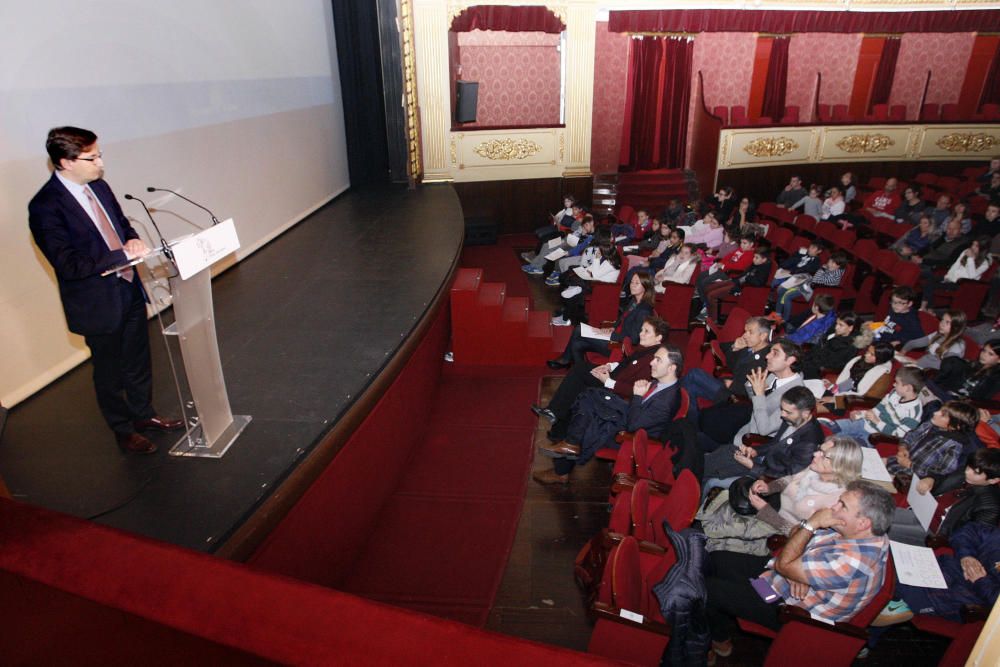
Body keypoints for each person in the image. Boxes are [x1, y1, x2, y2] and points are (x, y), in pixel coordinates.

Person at [28, 126, 182, 455]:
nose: (101, 162)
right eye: (93, 157)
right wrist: (119, 255)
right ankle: (123, 430)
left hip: (128, 288)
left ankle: (144, 415)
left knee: (138, 359)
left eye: (100, 154)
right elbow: (67, 263)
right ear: (66, 162)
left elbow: (119, 225)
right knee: (109, 372)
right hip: (97, 302)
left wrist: (132, 239)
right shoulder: (45, 206)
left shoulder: (98, 186)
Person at [704, 481, 893, 664]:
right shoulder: (862, 532)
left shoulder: (852, 561)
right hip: (781, 584)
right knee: (720, 558)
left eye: (842, 505)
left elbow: (786, 562)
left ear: (862, 523)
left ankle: (719, 641)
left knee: (708, 590)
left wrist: (811, 525)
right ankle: (720, 630)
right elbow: (796, 531)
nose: (833, 507)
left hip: (788, 611)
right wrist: (796, 571)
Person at [533, 345, 683, 485]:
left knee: (585, 420)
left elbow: (634, 426)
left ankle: (563, 466)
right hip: (629, 415)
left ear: (671, 368)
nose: (652, 363)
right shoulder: (663, 383)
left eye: (658, 360)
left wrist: (637, 396)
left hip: (631, 438)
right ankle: (570, 445)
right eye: (654, 358)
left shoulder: (666, 401)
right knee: (590, 395)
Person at [700, 436, 863, 561]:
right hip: (767, 507)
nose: (816, 454)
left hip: (772, 533)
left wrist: (765, 511)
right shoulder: (815, 469)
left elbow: (798, 536)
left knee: (713, 533)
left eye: (824, 455)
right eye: (820, 449)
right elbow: (788, 480)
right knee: (720, 502)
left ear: (839, 465)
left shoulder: (835, 502)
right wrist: (768, 487)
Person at [532, 316, 670, 441]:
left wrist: (608, 382)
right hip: (612, 378)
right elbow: (627, 363)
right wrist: (609, 366)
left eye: (646, 331)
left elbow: (637, 390)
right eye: (642, 330)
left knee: (578, 379)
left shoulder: (654, 360)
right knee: (579, 374)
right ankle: (557, 423)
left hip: (615, 392)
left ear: (659, 338)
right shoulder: (646, 348)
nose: (640, 334)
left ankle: (557, 422)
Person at [702, 386, 824, 497]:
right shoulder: (794, 419)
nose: (782, 414)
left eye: (787, 412)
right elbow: (775, 443)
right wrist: (755, 451)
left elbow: (787, 477)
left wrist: (752, 466)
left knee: (713, 470)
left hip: (767, 477)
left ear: (806, 413)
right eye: (782, 409)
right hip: (764, 461)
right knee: (725, 452)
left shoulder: (809, 444)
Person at [698, 339, 806, 453]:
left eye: (775, 353)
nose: (767, 356)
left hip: (748, 440)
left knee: (695, 437)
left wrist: (759, 394)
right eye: (770, 352)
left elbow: (764, 430)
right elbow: (753, 401)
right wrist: (752, 386)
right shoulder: (774, 375)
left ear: (790, 360)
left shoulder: (795, 395)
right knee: (696, 424)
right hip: (742, 421)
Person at [889, 448, 1000, 546]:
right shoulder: (966, 474)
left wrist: (944, 537)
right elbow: (942, 479)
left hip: (935, 533)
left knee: (881, 527)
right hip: (922, 512)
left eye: (975, 472)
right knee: (877, 513)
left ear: (993, 480)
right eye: (969, 466)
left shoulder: (990, 505)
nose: (967, 472)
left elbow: (973, 535)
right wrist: (931, 479)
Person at [547, 272, 654, 369]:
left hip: (619, 346)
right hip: (615, 336)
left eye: (637, 283)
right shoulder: (634, 301)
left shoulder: (644, 311)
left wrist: (610, 335)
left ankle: (566, 360)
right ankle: (578, 370)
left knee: (579, 330)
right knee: (577, 344)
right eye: (631, 282)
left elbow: (634, 339)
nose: (632, 285)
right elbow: (622, 319)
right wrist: (613, 327)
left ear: (645, 286)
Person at [681, 316, 773, 421]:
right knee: (690, 387)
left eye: (750, 332)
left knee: (694, 373)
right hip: (726, 386)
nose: (744, 335)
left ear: (763, 336)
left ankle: (672, 399)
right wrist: (735, 347)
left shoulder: (767, 359)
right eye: (745, 331)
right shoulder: (749, 347)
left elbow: (754, 391)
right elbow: (723, 349)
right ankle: (693, 420)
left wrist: (732, 385)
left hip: (734, 397)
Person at [884, 401, 980, 496]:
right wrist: (903, 447)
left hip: (906, 478)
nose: (935, 413)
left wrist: (910, 465)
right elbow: (911, 435)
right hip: (894, 462)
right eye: (939, 410)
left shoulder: (954, 446)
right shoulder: (930, 424)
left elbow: (941, 472)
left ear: (955, 426)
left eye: (942, 415)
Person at [773, 252, 848, 324]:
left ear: (838, 266)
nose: (829, 263)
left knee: (787, 296)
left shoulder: (835, 276)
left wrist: (822, 269)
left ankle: (785, 320)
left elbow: (816, 280)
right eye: (829, 261)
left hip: (813, 290)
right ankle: (778, 314)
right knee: (782, 289)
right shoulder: (832, 269)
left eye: (832, 263)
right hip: (808, 284)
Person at [702, 246, 772, 322]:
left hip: (743, 289)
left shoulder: (764, 269)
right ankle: (708, 313)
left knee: (712, 294)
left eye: (756, 257)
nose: (753, 259)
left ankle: (713, 319)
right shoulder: (754, 264)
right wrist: (731, 279)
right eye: (754, 256)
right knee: (708, 288)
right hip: (736, 283)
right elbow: (743, 275)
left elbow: (758, 282)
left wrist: (747, 277)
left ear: (764, 260)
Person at [920, 237, 992, 310]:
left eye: (976, 246)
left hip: (962, 284)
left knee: (932, 285)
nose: (973, 247)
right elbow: (956, 265)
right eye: (973, 244)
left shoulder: (985, 263)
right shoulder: (966, 251)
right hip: (951, 278)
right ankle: (924, 307)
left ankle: (928, 309)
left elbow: (971, 276)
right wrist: (947, 276)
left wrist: (971, 259)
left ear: (983, 249)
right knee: (929, 280)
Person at [818, 342, 895, 407]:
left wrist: (836, 400)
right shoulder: (860, 360)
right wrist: (833, 386)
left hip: (849, 403)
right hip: (840, 392)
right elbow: (850, 381)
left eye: (872, 354)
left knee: (815, 406)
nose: (866, 355)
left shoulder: (883, 376)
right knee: (812, 394)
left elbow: (869, 400)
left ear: (881, 358)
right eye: (868, 351)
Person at [799, 312, 864, 380]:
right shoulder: (834, 332)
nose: (836, 327)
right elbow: (818, 346)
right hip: (810, 359)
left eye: (841, 325)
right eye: (836, 323)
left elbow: (833, 364)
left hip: (817, 370)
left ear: (850, 328)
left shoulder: (850, 346)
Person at [898, 310, 967, 370]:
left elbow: (945, 367)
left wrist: (917, 363)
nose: (941, 324)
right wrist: (902, 352)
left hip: (932, 373)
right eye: (942, 320)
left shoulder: (957, 346)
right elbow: (914, 343)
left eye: (947, 322)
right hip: (921, 366)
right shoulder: (938, 334)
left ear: (956, 327)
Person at [934, 339, 1000, 402]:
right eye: (984, 351)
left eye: (990, 354)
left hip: (959, 404)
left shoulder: (995, 380)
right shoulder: (973, 365)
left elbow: (982, 400)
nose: (984, 355)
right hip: (946, 393)